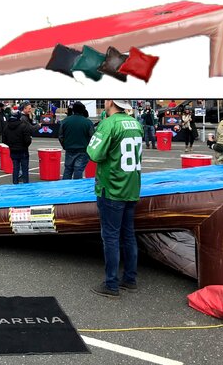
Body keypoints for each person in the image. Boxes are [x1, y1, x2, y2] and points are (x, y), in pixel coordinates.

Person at [87, 99, 144, 298]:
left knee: (110, 236)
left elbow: (94, 153)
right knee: (128, 234)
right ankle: (130, 278)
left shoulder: (109, 123)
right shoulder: (135, 123)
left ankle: (111, 283)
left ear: (110, 102)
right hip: (131, 185)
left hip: (111, 186)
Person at [59, 101, 95, 179]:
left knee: (68, 170)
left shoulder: (65, 121)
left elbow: (60, 136)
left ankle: (65, 188)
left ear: (73, 110)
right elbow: (92, 137)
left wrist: (65, 146)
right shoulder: (88, 122)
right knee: (78, 170)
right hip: (83, 150)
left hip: (69, 149)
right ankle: (77, 189)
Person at [2, 111, 31, 184]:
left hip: (13, 150)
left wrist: (11, 145)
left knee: (15, 168)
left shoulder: (6, 127)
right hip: (23, 150)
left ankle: (15, 183)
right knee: (25, 169)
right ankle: (26, 185)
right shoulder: (23, 126)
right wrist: (25, 145)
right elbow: (27, 140)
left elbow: (4, 140)